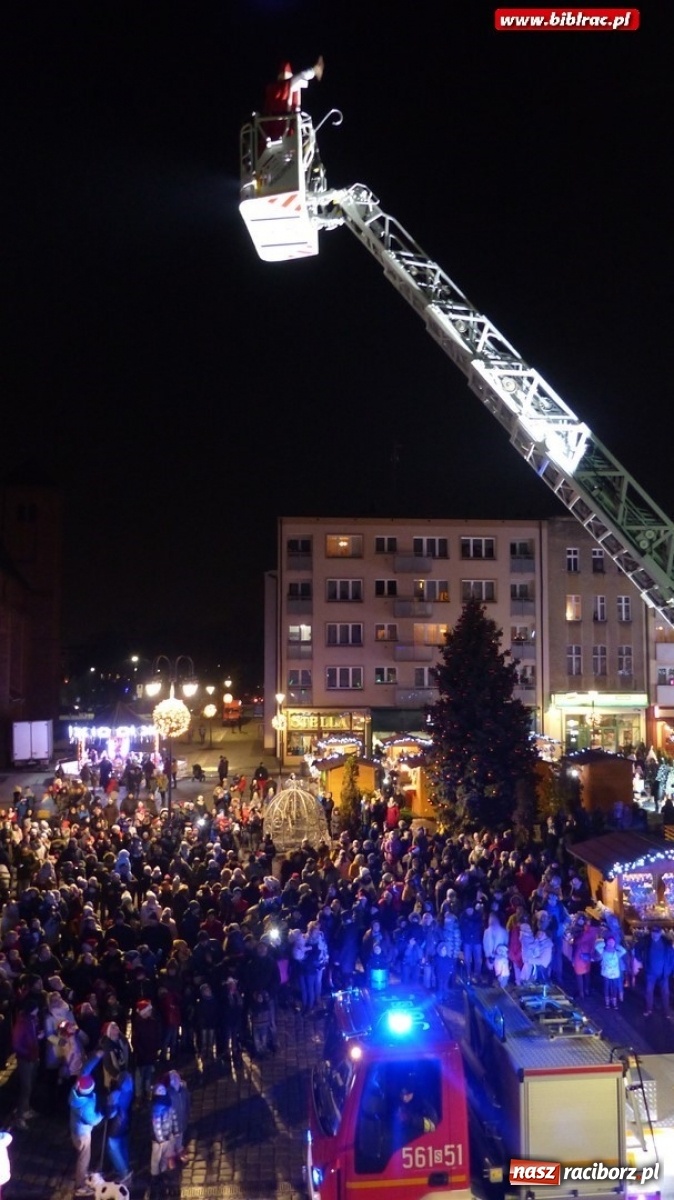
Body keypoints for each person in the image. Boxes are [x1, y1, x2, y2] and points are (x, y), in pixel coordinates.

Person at [69, 1073, 103, 1195]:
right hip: (83, 1134)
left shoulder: (74, 1093)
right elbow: (93, 1120)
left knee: (81, 1155)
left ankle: (80, 1174)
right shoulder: (86, 1106)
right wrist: (102, 1114)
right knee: (84, 1158)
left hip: (75, 1129)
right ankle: (80, 1185)